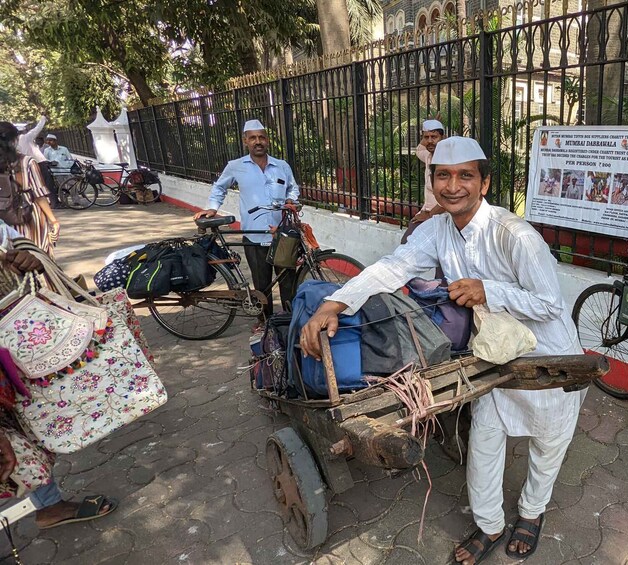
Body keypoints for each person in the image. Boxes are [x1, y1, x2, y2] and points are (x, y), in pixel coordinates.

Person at [298, 137, 586, 564]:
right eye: (443, 176)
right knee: (486, 437)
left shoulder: (515, 235)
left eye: (465, 175)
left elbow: (549, 303)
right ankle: (489, 524)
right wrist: (334, 303)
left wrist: (488, 289)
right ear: (432, 182)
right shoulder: (436, 230)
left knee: (548, 440)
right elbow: (392, 267)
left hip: (546, 352)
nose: (453, 186)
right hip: (489, 354)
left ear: (484, 183)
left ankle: (531, 513)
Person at [0, 221, 118, 529]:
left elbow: (18, 241)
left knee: (24, 433)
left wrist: (31, 257)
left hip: (16, 339)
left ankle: (49, 505)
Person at [195, 119, 300, 319]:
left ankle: (290, 320)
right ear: (245, 141)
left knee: (288, 281)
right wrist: (212, 208)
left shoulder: (281, 166)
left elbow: (293, 187)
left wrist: (290, 198)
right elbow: (219, 187)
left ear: (267, 140)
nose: (257, 141)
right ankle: (266, 322)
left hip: (282, 234)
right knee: (262, 285)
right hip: (254, 234)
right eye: (253, 138)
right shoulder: (236, 166)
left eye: (261, 137)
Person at [0, 122, 59, 256]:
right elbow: (39, 195)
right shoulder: (27, 162)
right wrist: (53, 220)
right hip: (29, 217)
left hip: (4, 224)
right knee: (38, 258)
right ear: (15, 140)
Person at [402, 119, 447, 244]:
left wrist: (429, 215)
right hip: (427, 211)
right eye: (426, 137)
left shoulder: (446, 160)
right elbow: (419, 148)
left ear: (443, 138)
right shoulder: (428, 156)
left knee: (409, 243)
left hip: (441, 216)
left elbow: (448, 196)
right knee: (407, 242)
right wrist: (433, 124)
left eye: (434, 137)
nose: (430, 140)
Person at [17, 117, 60, 209]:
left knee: (34, 184)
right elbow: (37, 129)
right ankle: (54, 203)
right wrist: (43, 119)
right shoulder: (25, 138)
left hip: (25, 164)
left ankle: (38, 203)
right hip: (38, 163)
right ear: (23, 131)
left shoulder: (13, 142)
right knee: (48, 183)